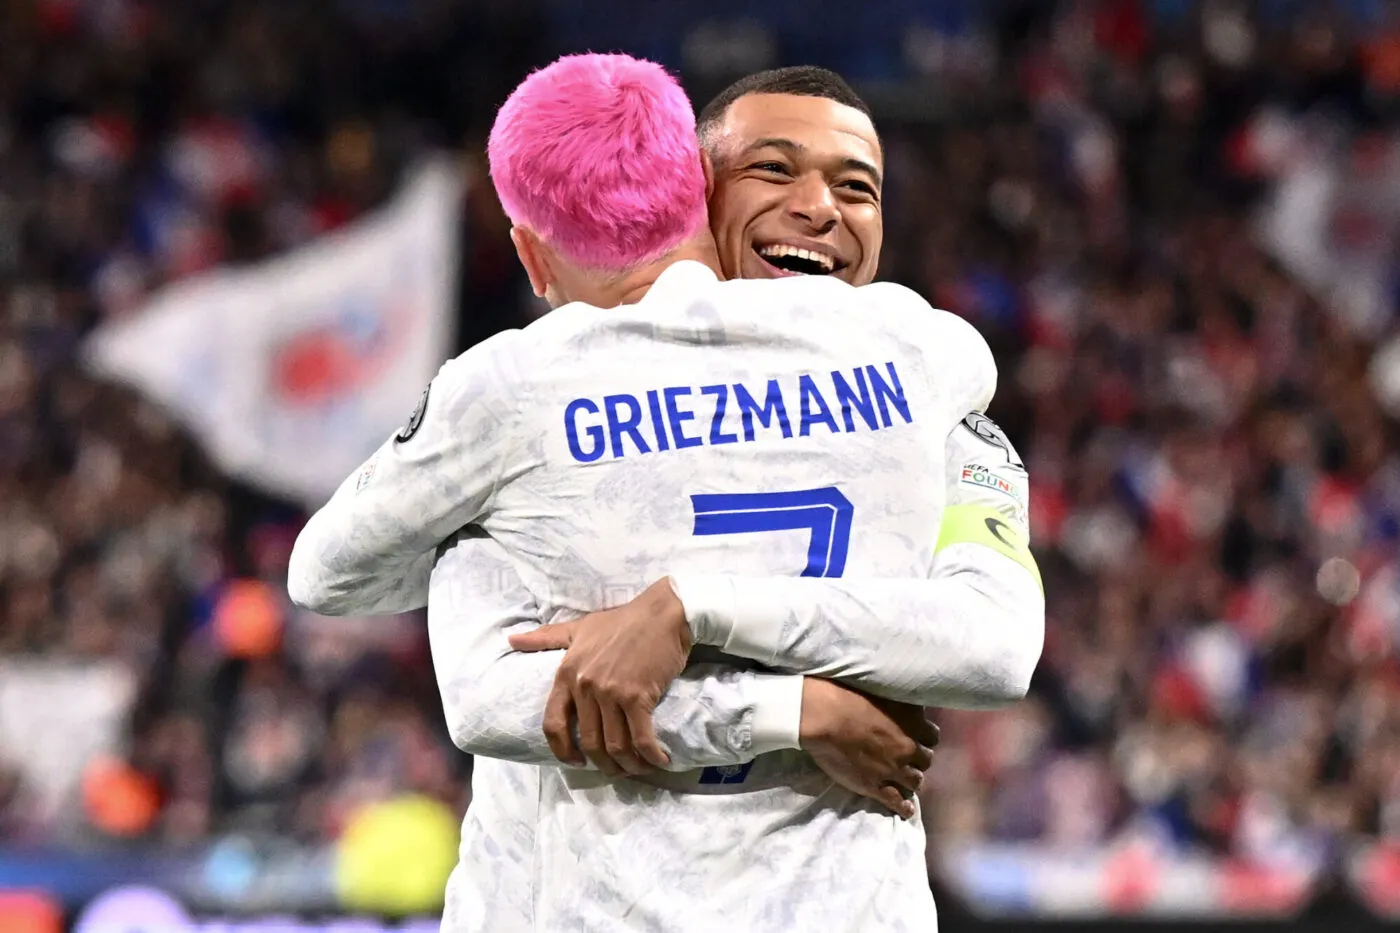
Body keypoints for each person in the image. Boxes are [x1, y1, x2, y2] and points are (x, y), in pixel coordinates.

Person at [289, 55, 1043, 932]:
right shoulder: (927, 355)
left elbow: (360, 596)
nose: (819, 208)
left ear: (532, 257)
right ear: (698, 194)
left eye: (856, 186)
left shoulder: (516, 392)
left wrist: (692, 609)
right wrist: (793, 710)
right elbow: (482, 698)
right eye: (773, 168)